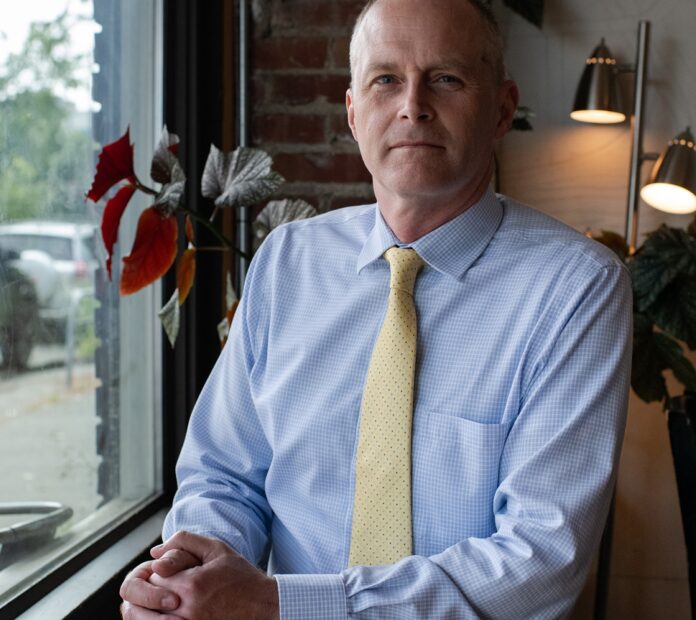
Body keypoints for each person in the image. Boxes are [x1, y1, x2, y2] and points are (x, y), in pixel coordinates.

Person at [120, 0, 632, 617]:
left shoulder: (576, 288)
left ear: (500, 110)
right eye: (386, 79)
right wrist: (190, 575)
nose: (413, 104)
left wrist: (282, 605)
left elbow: (539, 560)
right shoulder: (286, 262)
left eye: (446, 78)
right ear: (353, 111)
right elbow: (224, 475)